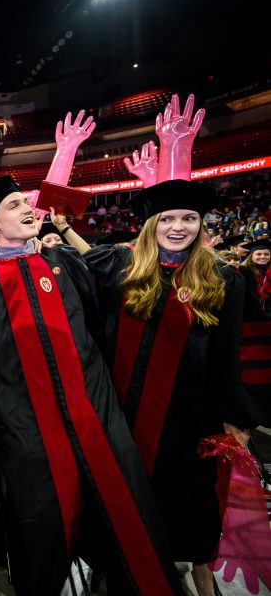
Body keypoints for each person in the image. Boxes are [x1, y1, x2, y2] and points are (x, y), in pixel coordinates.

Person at [0, 175, 183, 595]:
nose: (27, 209)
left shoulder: (64, 261)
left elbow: (108, 311)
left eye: (25, 202)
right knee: (41, 514)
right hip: (26, 415)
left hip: (93, 406)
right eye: (12, 206)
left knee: (122, 502)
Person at [82, 180, 264, 596]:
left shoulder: (223, 278)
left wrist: (237, 415)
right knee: (124, 494)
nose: (178, 227)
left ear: (201, 224)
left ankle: (183, 574)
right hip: (122, 413)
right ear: (150, 224)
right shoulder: (120, 269)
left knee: (188, 506)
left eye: (189, 218)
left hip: (190, 418)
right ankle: (119, 568)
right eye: (167, 218)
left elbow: (231, 352)